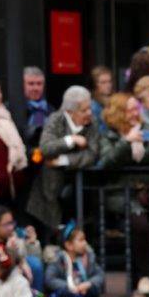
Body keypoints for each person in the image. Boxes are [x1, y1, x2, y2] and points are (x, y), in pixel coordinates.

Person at [99, 92, 149, 297]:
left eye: (135, 109)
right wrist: (125, 142)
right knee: (140, 225)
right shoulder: (108, 135)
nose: (134, 113)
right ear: (118, 112)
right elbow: (105, 163)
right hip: (120, 194)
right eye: (129, 109)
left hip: (148, 193)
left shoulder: (146, 130)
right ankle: (143, 279)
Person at [26, 86, 100, 235]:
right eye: (84, 110)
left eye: (89, 109)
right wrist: (70, 139)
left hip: (79, 194)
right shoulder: (55, 119)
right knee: (52, 236)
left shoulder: (93, 123)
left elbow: (92, 154)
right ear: (70, 111)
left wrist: (63, 160)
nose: (89, 113)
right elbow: (45, 148)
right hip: (49, 194)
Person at [45, 223, 104, 297]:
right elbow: (50, 279)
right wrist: (69, 287)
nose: (85, 243)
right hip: (69, 295)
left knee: (93, 290)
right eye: (81, 240)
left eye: (85, 240)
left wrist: (88, 284)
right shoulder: (58, 260)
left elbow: (99, 275)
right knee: (63, 294)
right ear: (69, 245)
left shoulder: (88, 258)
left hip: (83, 293)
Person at [20, 66, 50, 148]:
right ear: (22, 84)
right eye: (31, 84)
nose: (36, 88)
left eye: (39, 84)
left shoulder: (51, 110)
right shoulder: (11, 109)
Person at [89, 65, 114, 132]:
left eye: (109, 81)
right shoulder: (93, 106)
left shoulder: (114, 100)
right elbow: (98, 132)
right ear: (95, 85)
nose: (108, 85)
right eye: (103, 82)